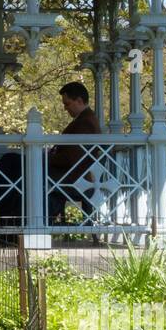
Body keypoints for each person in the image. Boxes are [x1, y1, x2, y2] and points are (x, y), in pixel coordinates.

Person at [47, 81, 101, 226]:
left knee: (26, 174)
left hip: (74, 178)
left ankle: (36, 224)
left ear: (79, 100)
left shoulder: (86, 122)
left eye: (67, 104)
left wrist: (46, 158)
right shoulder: (84, 119)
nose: (65, 108)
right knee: (16, 166)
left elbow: (72, 159)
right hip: (69, 174)